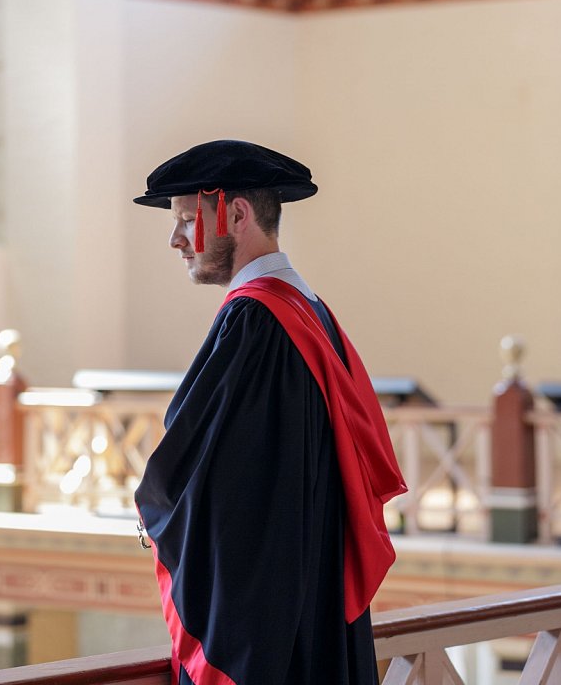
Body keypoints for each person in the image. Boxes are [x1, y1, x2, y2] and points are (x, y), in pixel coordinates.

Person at [133, 139, 406, 685]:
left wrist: (155, 512)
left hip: (272, 626)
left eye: (187, 219)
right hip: (313, 601)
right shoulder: (307, 311)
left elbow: (221, 490)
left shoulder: (255, 322)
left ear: (235, 213)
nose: (174, 239)